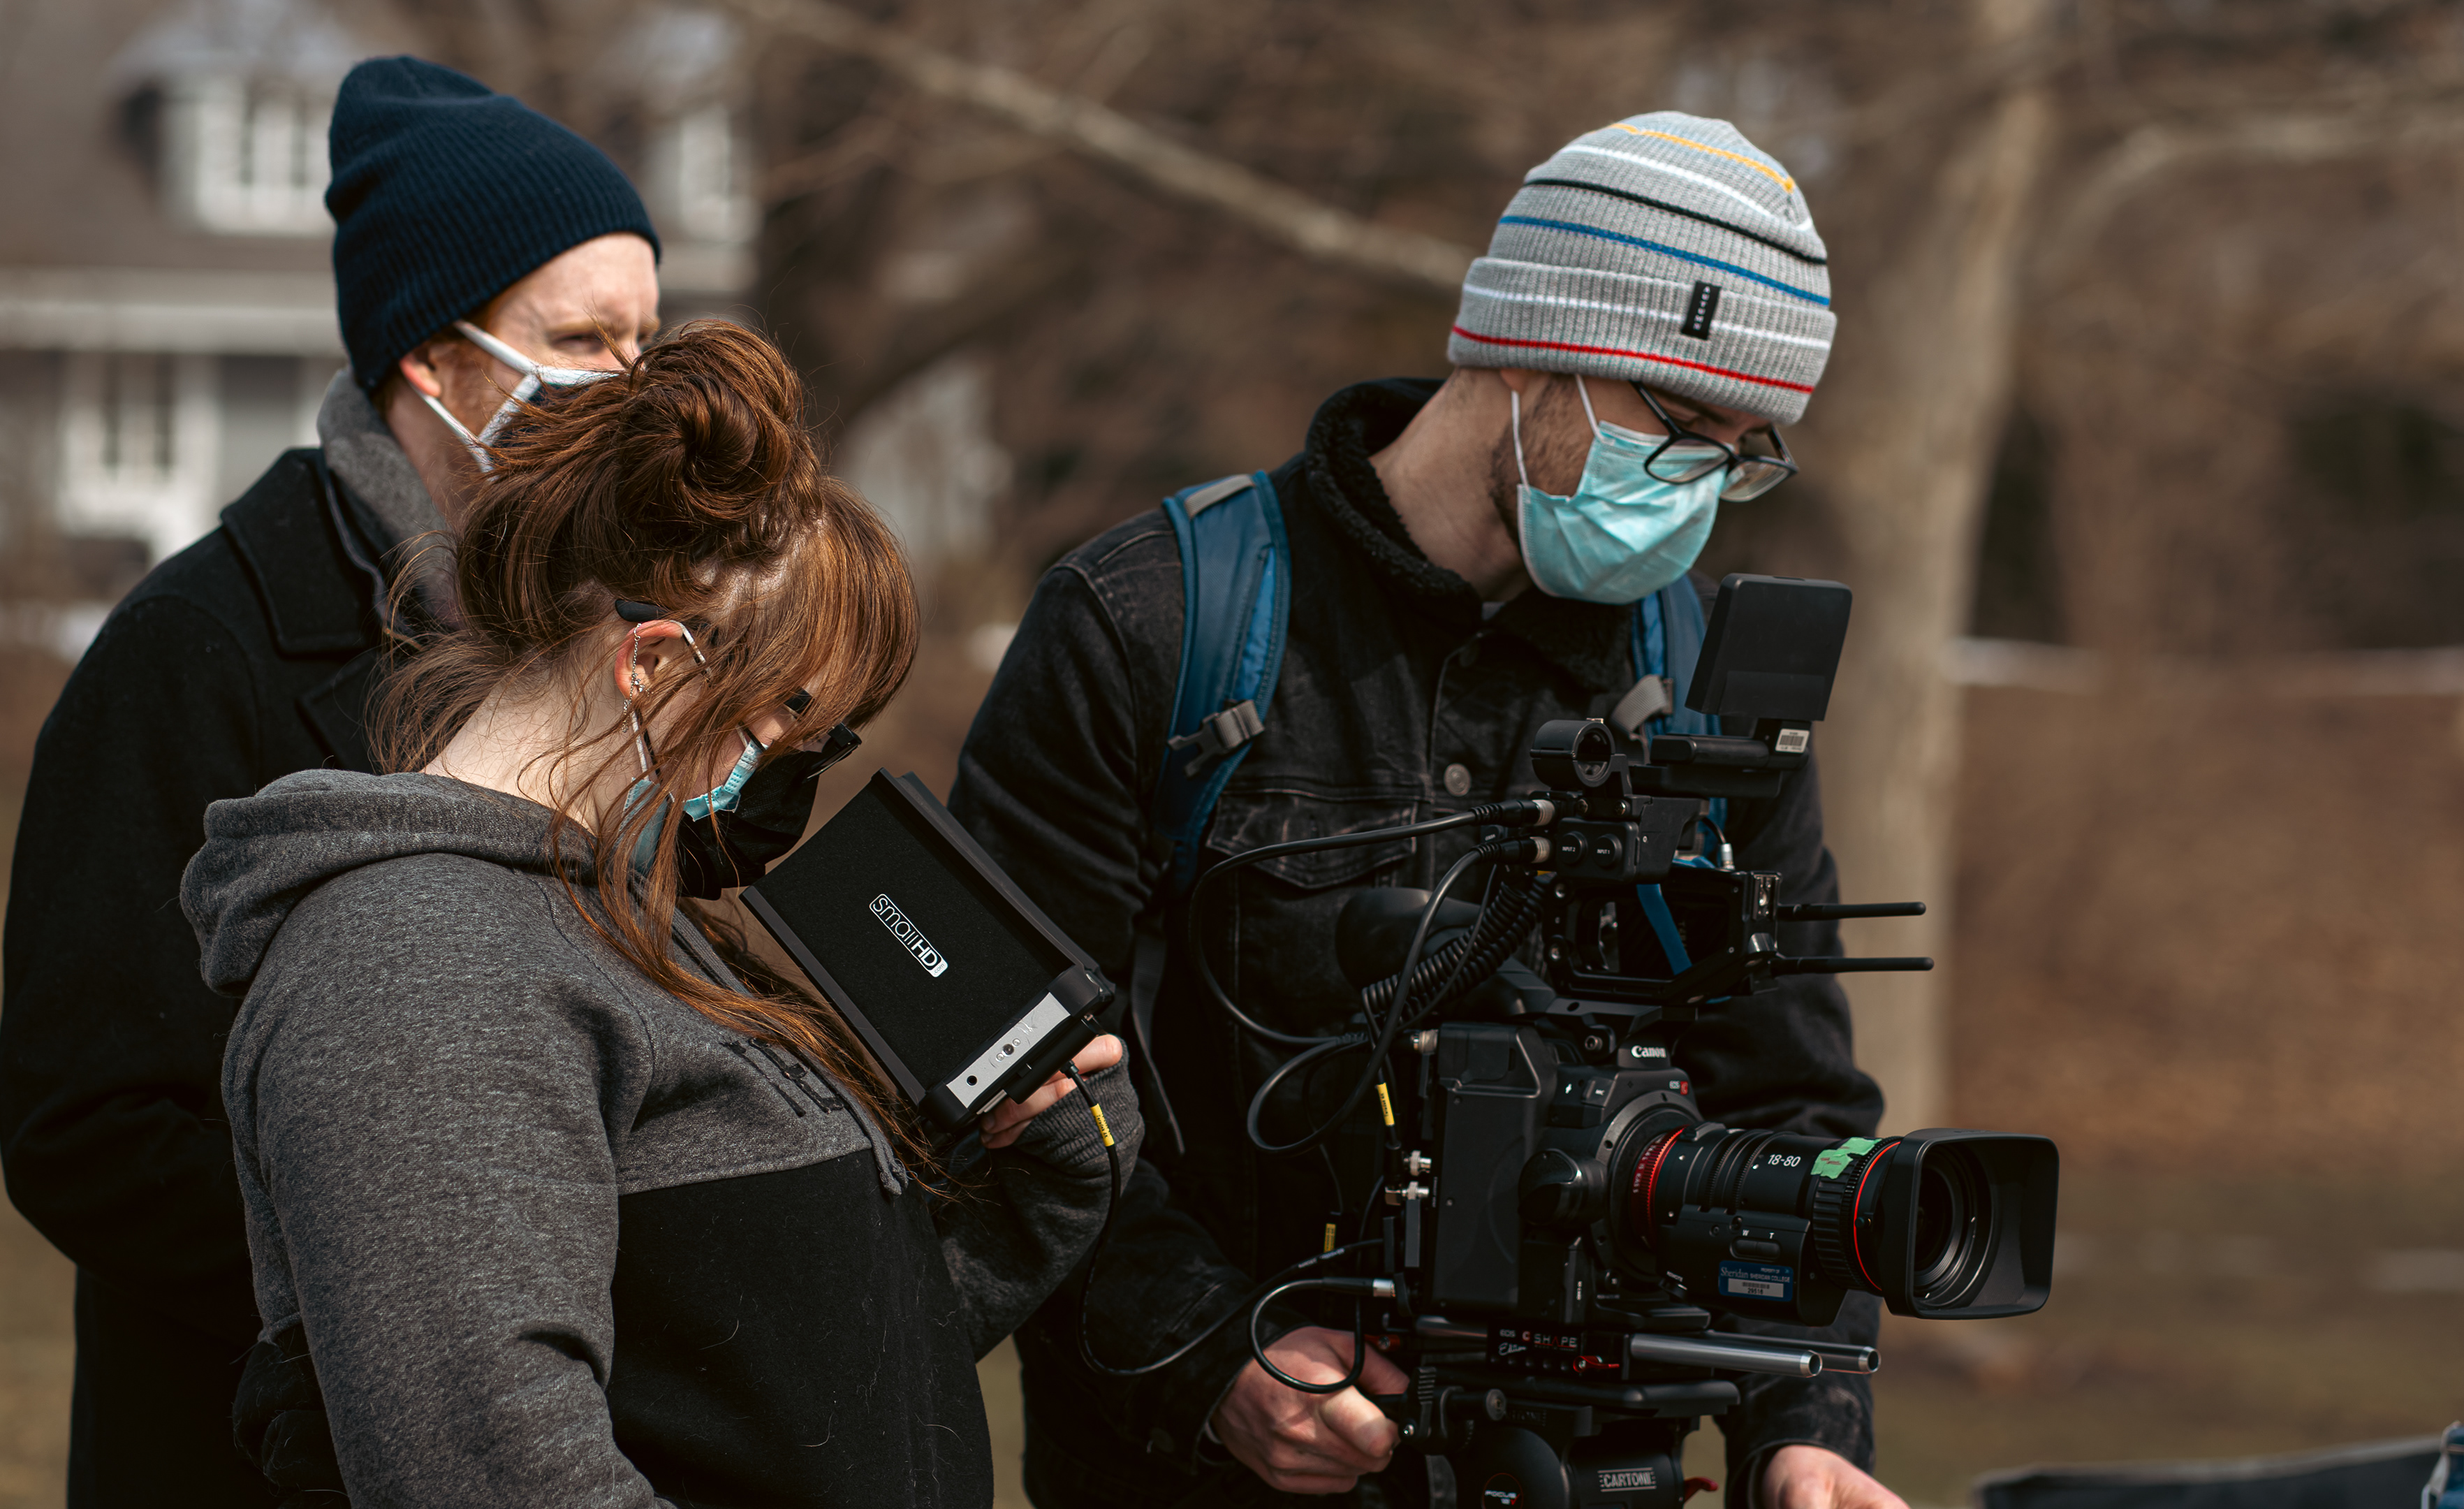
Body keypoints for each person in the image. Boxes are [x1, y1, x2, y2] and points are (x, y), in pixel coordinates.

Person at [951, 112, 1901, 1509]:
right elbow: (999, 1073)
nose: (1698, 488)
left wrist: (1804, 1422)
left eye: (1742, 451)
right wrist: (1207, 1359)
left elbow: (1791, 1099)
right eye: (1677, 425)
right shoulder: (1157, 625)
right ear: (1526, 346)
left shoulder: (1704, 679)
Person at [177, 318, 1138, 1508]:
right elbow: (498, 1474)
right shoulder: (414, 967)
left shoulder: (640, 926)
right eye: (792, 724)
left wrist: (1037, 1194)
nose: (799, 769)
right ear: (657, 668)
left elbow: (799, 1396)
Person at [0, 57, 668, 1504]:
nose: (629, 386)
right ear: (433, 356)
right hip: (250, 1454)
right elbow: (84, 1130)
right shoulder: (195, 650)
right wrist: (393, 1295)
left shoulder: (600, 628)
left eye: (645, 339)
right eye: (582, 339)